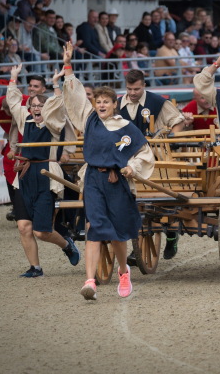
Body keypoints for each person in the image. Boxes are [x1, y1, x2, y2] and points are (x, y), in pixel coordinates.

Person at [60, 44, 155, 300]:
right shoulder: (89, 120)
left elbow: (144, 153)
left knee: (116, 232)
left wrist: (130, 167)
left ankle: (124, 272)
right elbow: (77, 98)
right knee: (94, 228)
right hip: (93, 178)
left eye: (106, 102)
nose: (101, 105)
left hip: (117, 182)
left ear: (115, 104)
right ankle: (89, 280)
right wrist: (68, 66)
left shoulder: (127, 127)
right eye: (98, 102)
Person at [6, 63, 81, 278]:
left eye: (40, 105)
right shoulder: (25, 118)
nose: (36, 108)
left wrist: (56, 84)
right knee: (23, 227)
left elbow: (58, 105)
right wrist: (13, 78)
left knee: (41, 231)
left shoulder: (53, 121)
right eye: (33, 105)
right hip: (26, 176)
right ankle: (35, 268)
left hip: (47, 176)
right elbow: (13, 102)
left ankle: (67, 244)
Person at [119, 68, 185, 260]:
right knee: (134, 202)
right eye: (129, 89)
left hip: (156, 159)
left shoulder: (157, 102)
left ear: (144, 86)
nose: (132, 93)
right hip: (126, 160)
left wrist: (172, 139)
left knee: (163, 198)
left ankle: (172, 234)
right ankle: (137, 246)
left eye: (137, 89)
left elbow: (178, 121)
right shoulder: (117, 105)